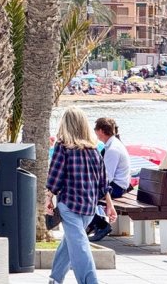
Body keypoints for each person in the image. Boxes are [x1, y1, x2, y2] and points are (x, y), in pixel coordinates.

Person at [45, 107, 116, 284]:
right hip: (89, 208)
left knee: (79, 246)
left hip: (69, 205)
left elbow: (55, 176)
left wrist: (48, 199)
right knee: (72, 243)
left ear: (65, 124)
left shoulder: (62, 148)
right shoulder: (94, 150)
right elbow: (103, 183)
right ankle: (55, 279)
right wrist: (109, 204)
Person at [87, 117, 131, 241]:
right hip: (118, 185)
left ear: (101, 131)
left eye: (96, 130)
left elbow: (106, 177)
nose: (95, 133)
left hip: (117, 187)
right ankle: (92, 224)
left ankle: (101, 225)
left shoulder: (112, 149)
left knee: (84, 196)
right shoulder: (112, 145)